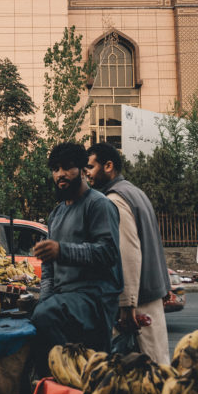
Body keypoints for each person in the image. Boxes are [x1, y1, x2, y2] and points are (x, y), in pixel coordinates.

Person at [30, 142, 121, 373]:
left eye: (67, 168)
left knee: (47, 315)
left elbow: (108, 252)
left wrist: (62, 250)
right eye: (56, 169)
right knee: (37, 316)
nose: (60, 174)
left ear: (82, 170)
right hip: (65, 299)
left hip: (94, 299)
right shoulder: (56, 214)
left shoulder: (99, 204)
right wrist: (44, 301)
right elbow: (49, 270)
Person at [85, 143, 170, 363]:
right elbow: (153, 242)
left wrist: (127, 304)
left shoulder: (115, 200)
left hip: (138, 301)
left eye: (91, 167)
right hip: (152, 293)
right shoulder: (136, 192)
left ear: (108, 166)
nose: (87, 174)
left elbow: (128, 252)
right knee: (158, 363)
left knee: (144, 371)